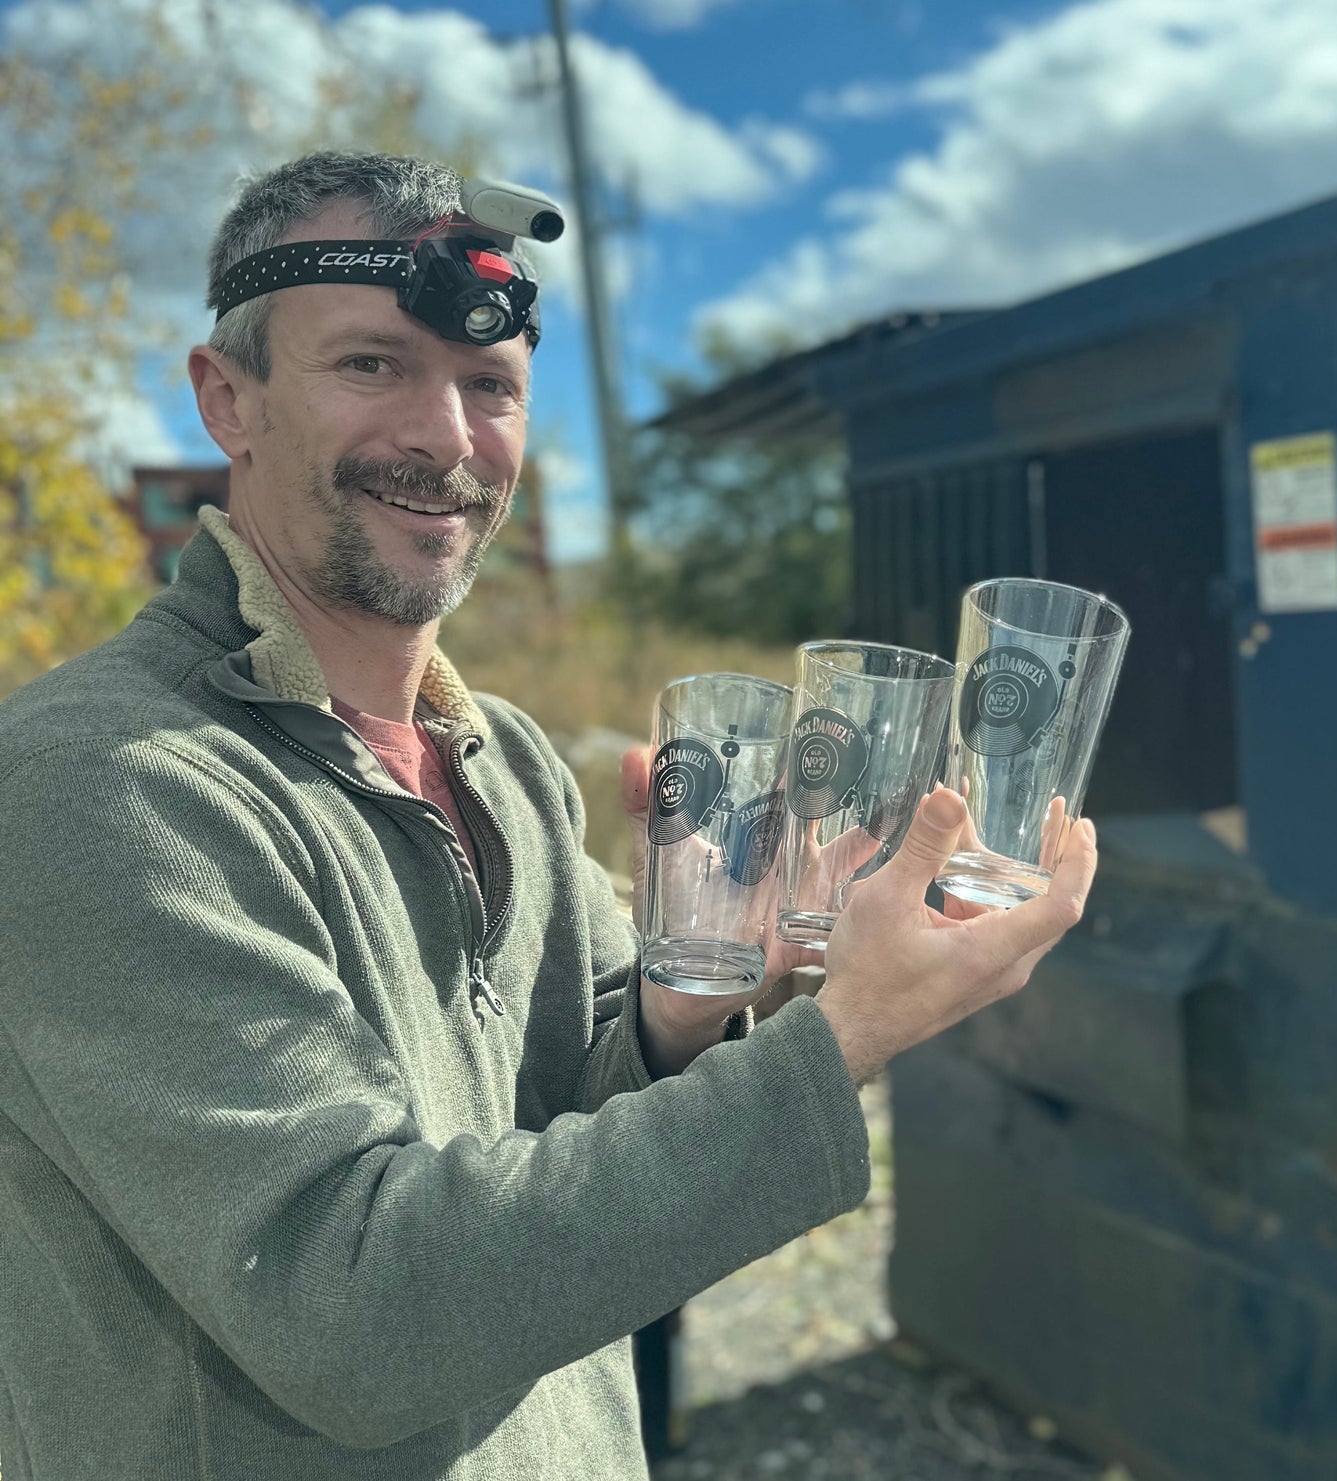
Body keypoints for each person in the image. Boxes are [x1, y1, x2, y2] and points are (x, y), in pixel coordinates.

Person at [0, 151, 1096, 1481]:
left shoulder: (503, 753)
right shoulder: (104, 780)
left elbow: (565, 1108)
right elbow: (353, 1306)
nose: (445, 438)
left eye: (490, 386)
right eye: (370, 367)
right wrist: (847, 1035)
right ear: (228, 399)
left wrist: (691, 1010)